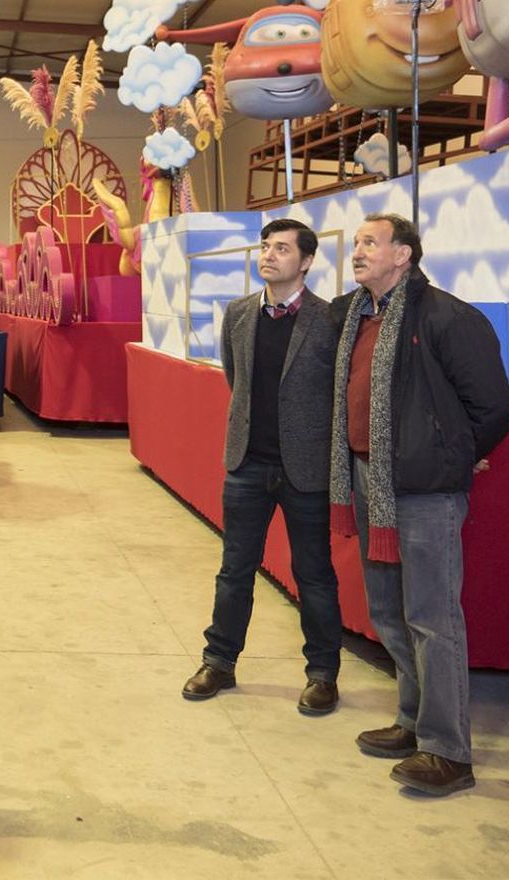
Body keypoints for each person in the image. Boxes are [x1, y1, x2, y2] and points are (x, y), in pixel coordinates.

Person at [331, 213, 509, 796]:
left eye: (369, 243)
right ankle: (412, 721)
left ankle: (448, 751)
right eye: (356, 243)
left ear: (403, 254)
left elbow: (492, 409)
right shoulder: (355, 317)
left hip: (424, 492)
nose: (357, 252)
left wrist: (451, 456)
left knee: (432, 620)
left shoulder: (447, 317)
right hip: (368, 484)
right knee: (388, 611)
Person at [183, 218, 343, 714]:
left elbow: (337, 392)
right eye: (265, 247)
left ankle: (322, 675)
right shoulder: (238, 314)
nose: (268, 256)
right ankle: (220, 662)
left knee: (313, 574)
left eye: (282, 249)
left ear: (308, 261)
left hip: (306, 470)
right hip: (247, 464)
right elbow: (239, 381)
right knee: (235, 570)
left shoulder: (329, 319)